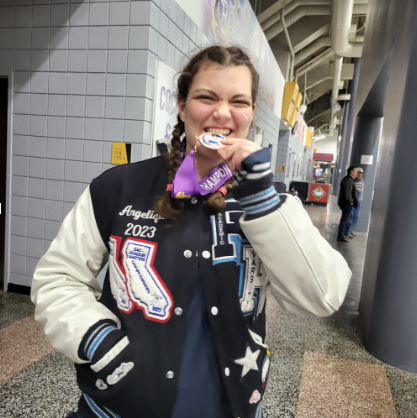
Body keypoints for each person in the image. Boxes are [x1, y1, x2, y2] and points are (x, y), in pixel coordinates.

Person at [31, 46, 352, 418]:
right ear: (182, 106)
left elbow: (322, 298)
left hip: (231, 406)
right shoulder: (119, 187)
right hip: (116, 407)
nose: (222, 113)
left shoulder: (274, 202)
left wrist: (261, 198)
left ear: (250, 113)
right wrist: (99, 342)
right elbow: (58, 277)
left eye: (238, 101)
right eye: (206, 97)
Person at [337, 166, 358, 243]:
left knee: (346, 219)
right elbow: (348, 192)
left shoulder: (349, 180)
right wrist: (351, 201)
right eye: (355, 171)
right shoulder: (348, 180)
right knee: (344, 219)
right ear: (351, 172)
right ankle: (340, 236)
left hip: (346, 203)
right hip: (346, 203)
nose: (357, 173)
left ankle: (343, 234)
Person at [347, 167, 364, 238]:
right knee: (350, 217)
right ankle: (347, 232)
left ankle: (350, 230)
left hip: (359, 201)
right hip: (354, 202)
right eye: (358, 173)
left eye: (361, 173)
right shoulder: (353, 181)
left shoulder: (362, 180)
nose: (359, 175)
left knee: (356, 217)